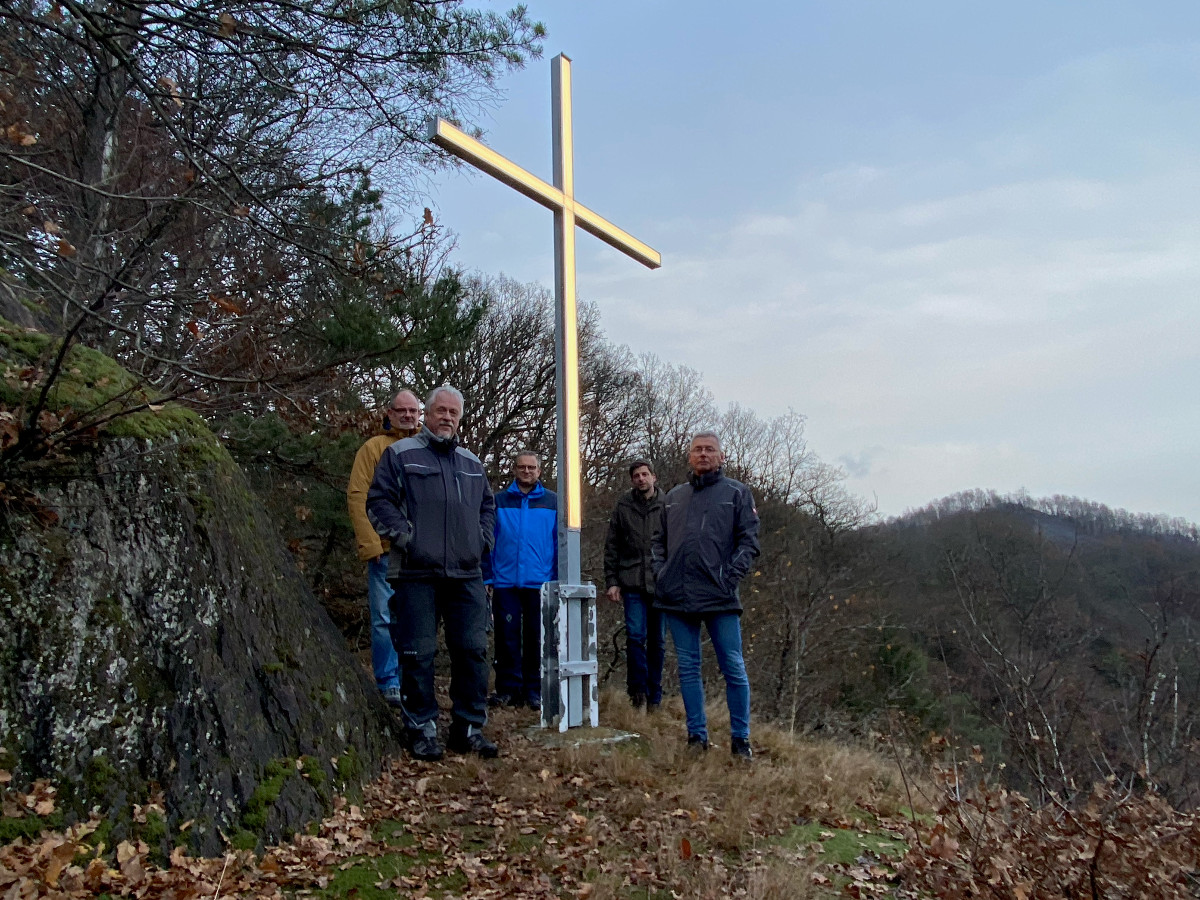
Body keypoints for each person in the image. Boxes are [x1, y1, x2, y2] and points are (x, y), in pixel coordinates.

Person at [366, 386, 498, 760]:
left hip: (466, 573)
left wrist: (481, 541)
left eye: (454, 413)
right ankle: (421, 728)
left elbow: (488, 507)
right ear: (427, 413)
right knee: (417, 653)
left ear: (460, 418)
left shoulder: (472, 462)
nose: (447, 417)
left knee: (473, 650)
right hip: (415, 573)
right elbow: (377, 501)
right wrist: (407, 538)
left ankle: (468, 728)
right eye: (441, 411)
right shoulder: (400, 455)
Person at [652, 431, 760, 759]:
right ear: (689, 456)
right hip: (677, 595)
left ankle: (740, 740)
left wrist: (728, 578)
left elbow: (749, 542)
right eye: (697, 449)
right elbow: (657, 541)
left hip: (719, 596)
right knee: (688, 667)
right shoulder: (673, 496)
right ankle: (696, 736)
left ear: (721, 456)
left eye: (709, 450)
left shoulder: (737, 493)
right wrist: (661, 574)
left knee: (733, 667)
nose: (703, 454)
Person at [346, 390, 421, 708]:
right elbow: (357, 495)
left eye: (413, 410)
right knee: (383, 618)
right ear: (388, 413)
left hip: (421, 552)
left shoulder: (426, 448)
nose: (407, 415)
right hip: (386, 549)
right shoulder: (373, 448)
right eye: (401, 410)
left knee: (417, 618)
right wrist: (370, 543)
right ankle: (389, 681)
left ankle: (413, 680)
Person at [484, 451, 557, 711]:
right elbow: (488, 541)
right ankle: (507, 689)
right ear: (514, 470)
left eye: (532, 467)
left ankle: (534, 690)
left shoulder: (553, 502)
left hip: (540, 583)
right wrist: (487, 575)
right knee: (506, 638)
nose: (527, 471)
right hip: (505, 582)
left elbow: (559, 543)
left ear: (539, 470)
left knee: (538, 638)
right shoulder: (498, 501)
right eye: (522, 467)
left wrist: (556, 579)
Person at [603, 459, 666, 710]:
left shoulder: (667, 505)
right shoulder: (623, 506)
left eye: (645, 474)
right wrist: (612, 581)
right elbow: (612, 546)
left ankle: (655, 696)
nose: (641, 479)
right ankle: (637, 692)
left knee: (658, 641)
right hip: (631, 582)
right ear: (632, 480)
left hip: (660, 584)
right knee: (636, 637)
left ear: (654, 477)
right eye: (636, 476)